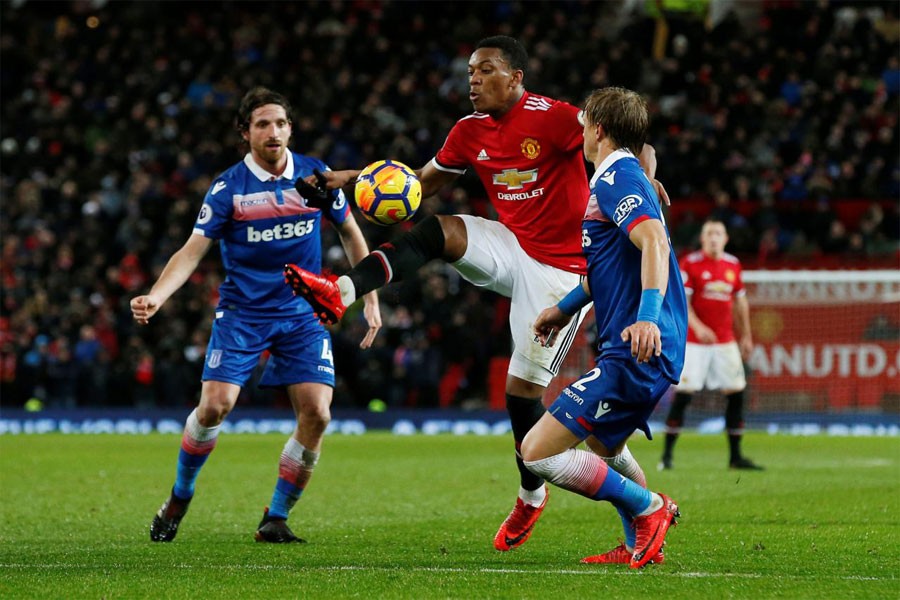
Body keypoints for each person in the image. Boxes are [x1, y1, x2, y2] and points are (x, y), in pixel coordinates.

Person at [284, 35, 669, 552]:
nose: (473, 80)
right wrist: (344, 180)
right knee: (438, 231)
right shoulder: (468, 132)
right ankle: (341, 290)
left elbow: (629, 138)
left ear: (516, 78)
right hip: (513, 245)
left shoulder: (555, 117)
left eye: (485, 70)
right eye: (470, 72)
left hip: (561, 269)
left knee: (522, 398)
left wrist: (643, 181)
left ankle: (532, 496)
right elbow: (417, 185)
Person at [130, 87, 381, 543]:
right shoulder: (229, 189)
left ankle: (276, 517)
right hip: (243, 313)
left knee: (317, 414)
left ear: (290, 129)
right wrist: (157, 295)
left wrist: (368, 295)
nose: (274, 131)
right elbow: (192, 251)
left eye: (281, 123)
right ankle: (180, 496)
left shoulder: (314, 176)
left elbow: (350, 230)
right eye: (263, 124)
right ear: (245, 133)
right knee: (214, 407)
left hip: (303, 314)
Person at [524, 86, 686, 568]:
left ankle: (650, 508)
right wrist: (564, 307)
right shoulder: (622, 176)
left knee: (537, 453)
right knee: (604, 445)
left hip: (637, 345)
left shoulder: (617, 179)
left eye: (582, 120)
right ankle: (640, 542)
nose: (577, 128)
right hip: (640, 344)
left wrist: (648, 318)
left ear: (597, 129)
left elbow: (653, 240)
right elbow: (609, 266)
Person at [659, 218, 762, 470]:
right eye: (709, 233)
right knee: (684, 394)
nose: (714, 237)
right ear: (703, 239)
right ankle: (667, 456)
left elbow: (740, 303)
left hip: (725, 341)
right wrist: (699, 327)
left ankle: (735, 457)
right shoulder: (691, 264)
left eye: (718, 233)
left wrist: (746, 335)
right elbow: (684, 303)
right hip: (695, 343)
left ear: (725, 238)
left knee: (736, 392)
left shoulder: (733, 265)